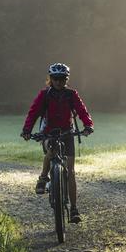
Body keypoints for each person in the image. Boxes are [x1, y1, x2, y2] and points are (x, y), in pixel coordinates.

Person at [21, 62, 93, 224]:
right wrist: (27, 129)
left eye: (62, 78)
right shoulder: (44, 95)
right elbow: (33, 112)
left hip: (67, 132)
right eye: (55, 78)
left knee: (71, 171)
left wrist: (88, 125)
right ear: (50, 79)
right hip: (48, 132)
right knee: (51, 151)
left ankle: (74, 209)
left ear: (66, 79)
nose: (59, 82)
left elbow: (82, 110)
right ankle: (43, 177)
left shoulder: (71, 94)